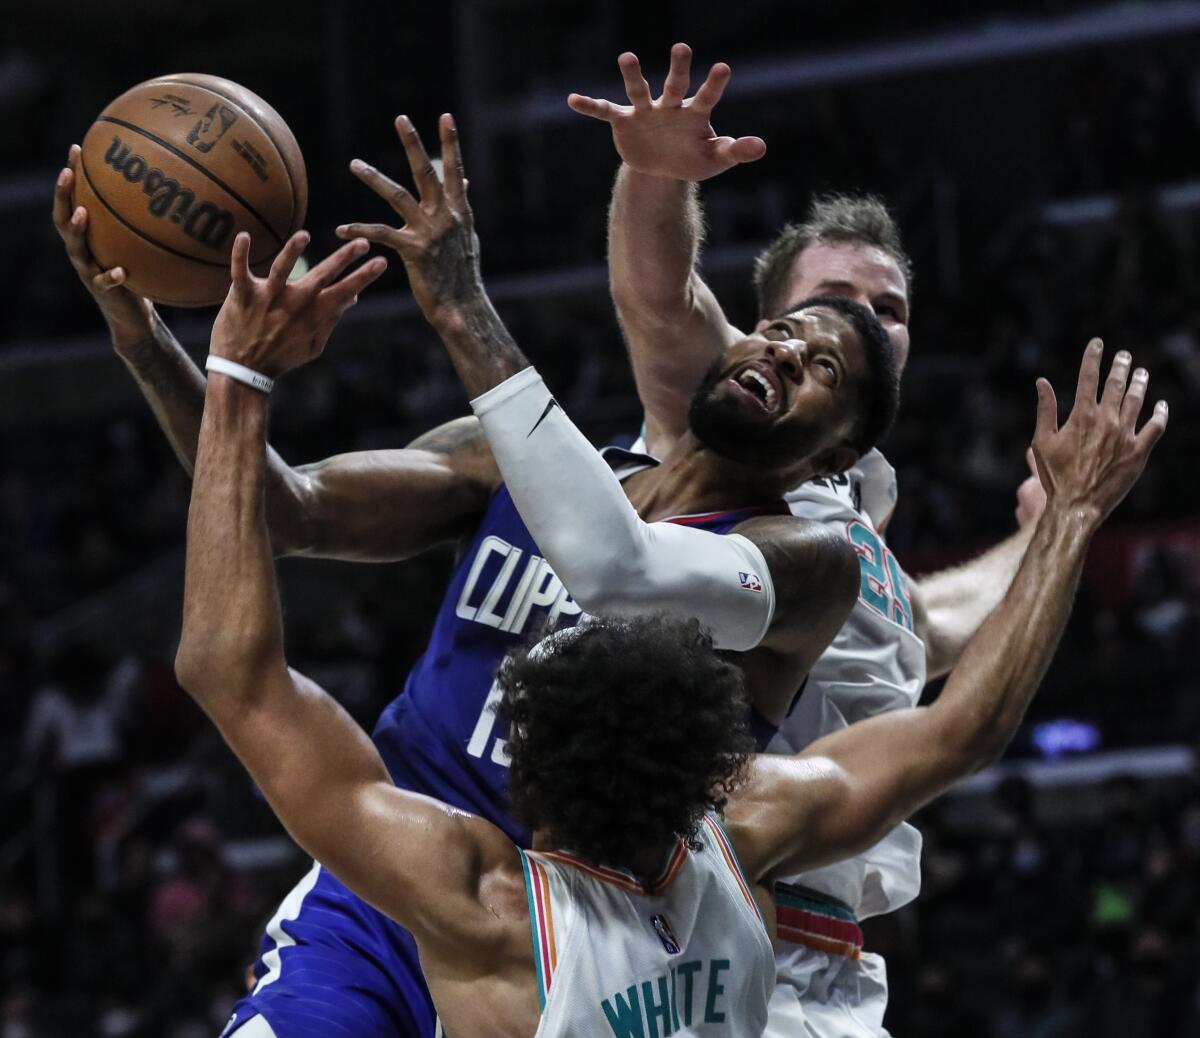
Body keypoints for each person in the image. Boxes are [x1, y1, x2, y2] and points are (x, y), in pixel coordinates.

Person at [174, 139, 1165, 1034]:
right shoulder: (745, 823)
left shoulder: (818, 559)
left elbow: (236, 668)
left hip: (528, 896)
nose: (806, 343)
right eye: (800, 325)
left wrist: (252, 368)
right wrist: (1061, 527)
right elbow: (963, 723)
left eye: (861, 334)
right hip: (650, 913)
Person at [55, 114, 899, 1037]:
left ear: (839, 451)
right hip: (390, 877)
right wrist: (148, 342)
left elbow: (621, 565)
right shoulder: (507, 465)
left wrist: (461, 298)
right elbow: (284, 507)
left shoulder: (808, 566)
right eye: (777, 329)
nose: (780, 351)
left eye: (820, 367)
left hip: (573, 936)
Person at [567, 42, 1043, 1034]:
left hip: (830, 945)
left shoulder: (856, 504)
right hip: (711, 908)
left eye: (890, 310)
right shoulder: (742, 422)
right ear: (764, 332)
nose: (866, 321)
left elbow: (926, 626)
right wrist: (653, 175)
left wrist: (1047, 532)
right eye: (832, 306)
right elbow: (658, 301)